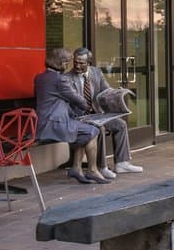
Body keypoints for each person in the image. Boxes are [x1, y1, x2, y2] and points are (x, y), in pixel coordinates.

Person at [34, 47, 110, 184]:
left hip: (43, 122)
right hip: (55, 125)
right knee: (93, 130)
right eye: (68, 62)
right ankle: (92, 170)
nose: (69, 66)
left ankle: (76, 168)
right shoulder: (60, 80)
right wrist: (90, 109)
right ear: (61, 63)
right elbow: (77, 99)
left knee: (82, 129)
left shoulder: (40, 77)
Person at [67, 47, 143, 177]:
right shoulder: (67, 78)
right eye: (76, 62)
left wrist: (115, 92)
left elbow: (105, 89)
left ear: (89, 63)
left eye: (81, 63)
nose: (77, 66)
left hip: (96, 113)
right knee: (100, 129)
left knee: (120, 124)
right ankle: (101, 167)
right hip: (80, 117)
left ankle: (121, 163)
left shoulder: (96, 72)